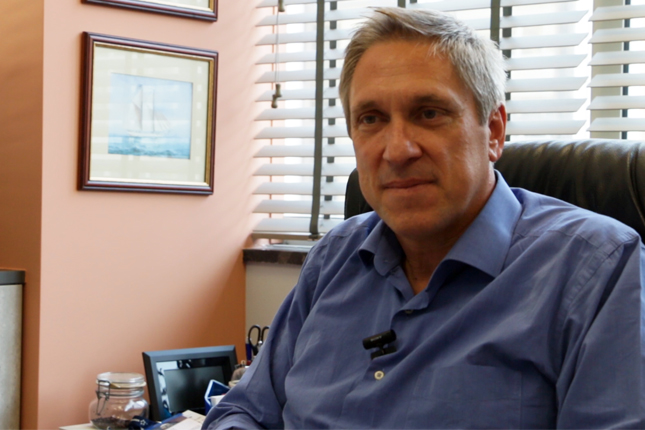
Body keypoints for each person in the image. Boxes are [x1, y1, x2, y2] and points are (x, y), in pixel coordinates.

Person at [204, 7, 645, 429]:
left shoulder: (597, 269)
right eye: (371, 119)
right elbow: (243, 411)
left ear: (493, 131)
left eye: (429, 114)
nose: (397, 150)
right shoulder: (333, 258)